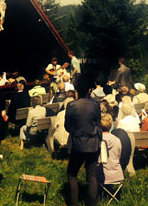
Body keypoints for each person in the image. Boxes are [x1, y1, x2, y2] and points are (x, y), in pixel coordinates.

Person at [65, 73, 102, 206]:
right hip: (93, 144)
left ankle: (73, 203)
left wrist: (76, 132)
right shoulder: (96, 105)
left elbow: (67, 126)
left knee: (72, 174)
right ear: (89, 90)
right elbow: (98, 123)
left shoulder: (71, 105)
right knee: (92, 176)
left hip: (78, 144)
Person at [98, 114, 124, 189]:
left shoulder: (97, 140)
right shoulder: (117, 140)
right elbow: (119, 156)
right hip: (117, 174)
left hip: (101, 174)